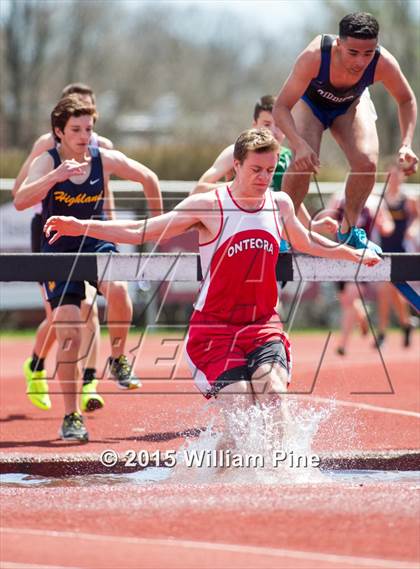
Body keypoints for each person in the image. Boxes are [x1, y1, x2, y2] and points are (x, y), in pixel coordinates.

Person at [43, 128, 380, 446]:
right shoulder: (209, 205)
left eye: (270, 170)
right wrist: (81, 226)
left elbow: (306, 242)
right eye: (256, 170)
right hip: (214, 331)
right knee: (242, 413)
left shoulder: (280, 204)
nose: (264, 178)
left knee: (275, 397)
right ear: (236, 165)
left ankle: (286, 476)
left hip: (262, 325)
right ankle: (205, 466)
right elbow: (141, 230)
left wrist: (350, 254)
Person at [14, 95, 163, 441]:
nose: (85, 136)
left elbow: (149, 178)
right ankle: (71, 416)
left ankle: (118, 359)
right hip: (58, 251)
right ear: (59, 132)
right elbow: (21, 200)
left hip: (95, 241)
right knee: (67, 331)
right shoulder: (47, 160)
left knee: (120, 289)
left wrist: (157, 227)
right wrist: (55, 176)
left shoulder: (103, 158)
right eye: (76, 130)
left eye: (89, 129)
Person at [273, 12, 418, 253]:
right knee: (303, 162)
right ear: (339, 45)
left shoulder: (383, 62)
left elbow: (406, 99)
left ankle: (349, 231)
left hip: (349, 106)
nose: (360, 62)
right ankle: (283, 231)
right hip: (310, 106)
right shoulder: (315, 56)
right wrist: (298, 144)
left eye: (368, 53)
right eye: (353, 53)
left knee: (367, 163)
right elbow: (281, 107)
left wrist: (407, 143)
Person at [12, 83, 114, 415]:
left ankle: (89, 383)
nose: (85, 131)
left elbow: (105, 191)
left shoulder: (102, 147)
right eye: (77, 117)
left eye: (90, 118)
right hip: (50, 231)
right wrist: (54, 178)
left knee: (91, 312)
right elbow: (20, 191)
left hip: (89, 231)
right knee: (58, 317)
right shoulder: (47, 145)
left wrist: (109, 226)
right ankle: (36, 365)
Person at [192, 95, 338, 237]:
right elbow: (198, 190)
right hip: (237, 235)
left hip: (274, 240)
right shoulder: (235, 152)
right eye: (266, 124)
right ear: (254, 125)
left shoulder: (288, 158)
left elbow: (290, 201)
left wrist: (312, 225)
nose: (273, 131)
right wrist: (241, 186)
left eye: (280, 126)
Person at [324, 192, 394, 356]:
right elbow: (326, 219)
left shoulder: (376, 202)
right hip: (340, 255)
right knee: (346, 300)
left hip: (361, 257)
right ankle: (362, 316)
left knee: (350, 296)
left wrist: (383, 224)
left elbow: (387, 227)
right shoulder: (339, 198)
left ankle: (342, 344)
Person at [376, 164, 419, 348]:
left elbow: (417, 218)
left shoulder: (408, 199)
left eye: (396, 176)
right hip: (384, 249)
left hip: (401, 249)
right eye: (390, 175)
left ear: (402, 178)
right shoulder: (381, 199)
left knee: (396, 291)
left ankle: (401, 324)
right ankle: (392, 329)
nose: (393, 179)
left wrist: (413, 228)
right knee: (386, 291)